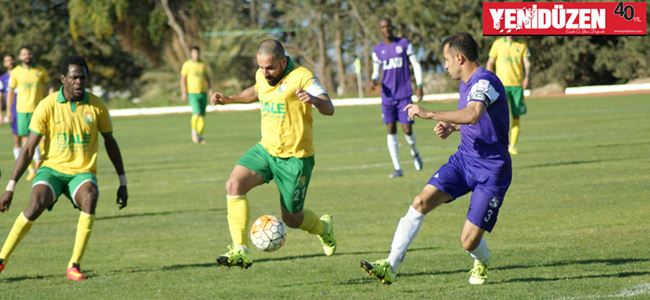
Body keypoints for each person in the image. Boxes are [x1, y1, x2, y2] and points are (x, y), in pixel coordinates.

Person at [360, 33, 512, 285]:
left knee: (468, 241)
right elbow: (479, 123)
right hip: (464, 161)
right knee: (421, 201)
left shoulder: (485, 82)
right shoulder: (466, 84)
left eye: (446, 59)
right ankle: (390, 266)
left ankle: (482, 260)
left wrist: (429, 113)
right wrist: (453, 127)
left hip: (492, 171)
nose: (445, 65)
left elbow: (473, 114)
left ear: (460, 58)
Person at [0, 56, 128, 282]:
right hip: (52, 170)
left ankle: (74, 265)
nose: (79, 82)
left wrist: (123, 182)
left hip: (81, 173)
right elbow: (29, 149)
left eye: (83, 77)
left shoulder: (96, 106)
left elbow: (110, 142)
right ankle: (2, 259)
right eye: (74, 77)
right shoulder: (47, 105)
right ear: (63, 79)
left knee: (90, 195)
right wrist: (10, 187)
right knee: (36, 203)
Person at [210, 39, 336, 268]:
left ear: (282, 61)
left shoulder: (303, 76)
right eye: (261, 67)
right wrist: (231, 99)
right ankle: (240, 249)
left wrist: (315, 100)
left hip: (296, 159)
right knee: (233, 185)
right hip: (266, 150)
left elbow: (330, 108)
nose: (265, 73)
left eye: (270, 67)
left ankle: (323, 227)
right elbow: (256, 91)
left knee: (292, 219)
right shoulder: (262, 75)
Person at [371, 18, 424, 178]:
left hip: (404, 95)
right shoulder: (377, 50)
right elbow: (375, 71)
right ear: (380, 30)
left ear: (392, 28)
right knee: (390, 129)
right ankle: (397, 168)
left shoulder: (404, 44)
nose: (386, 29)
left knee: (407, 129)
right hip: (387, 97)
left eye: (388, 26)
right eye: (383, 27)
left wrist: (419, 85)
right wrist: (373, 79)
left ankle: (414, 152)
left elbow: (415, 64)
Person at [7, 46, 52, 180]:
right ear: (20, 57)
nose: (27, 56)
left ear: (32, 55)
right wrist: (9, 110)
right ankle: (31, 169)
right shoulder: (15, 72)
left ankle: (40, 164)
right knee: (27, 141)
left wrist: (50, 100)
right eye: (24, 54)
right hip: (22, 111)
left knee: (43, 138)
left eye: (29, 53)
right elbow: (10, 92)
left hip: (39, 110)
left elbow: (49, 86)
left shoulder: (41, 71)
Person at [486, 36, 530, 155]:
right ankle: (498, 144)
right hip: (501, 86)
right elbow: (490, 63)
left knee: (516, 116)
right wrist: (490, 78)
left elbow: (526, 63)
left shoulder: (522, 45)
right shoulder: (497, 43)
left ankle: (513, 146)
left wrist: (527, 77)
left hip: (517, 86)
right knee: (499, 115)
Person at [180, 46, 211, 144]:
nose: (196, 55)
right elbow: (183, 79)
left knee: (202, 116)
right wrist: (184, 92)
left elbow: (207, 77)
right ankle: (194, 133)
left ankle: (200, 136)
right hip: (192, 93)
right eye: (194, 53)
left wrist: (210, 89)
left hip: (203, 93)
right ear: (191, 54)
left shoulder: (202, 65)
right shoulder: (187, 65)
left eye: (197, 53)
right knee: (196, 113)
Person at [0, 54, 21, 159]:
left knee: (30, 138)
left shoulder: (21, 73)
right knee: (17, 139)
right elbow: (0, 97)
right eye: (7, 60)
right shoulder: (2, 78)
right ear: (4, 63)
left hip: (26, 109)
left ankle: (35, 167)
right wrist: (0, 114)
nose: (10, 62)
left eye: (11, 60)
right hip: (13, 111)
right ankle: (27, 168)